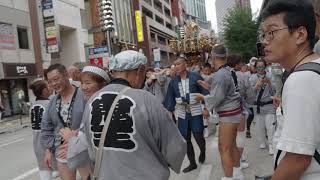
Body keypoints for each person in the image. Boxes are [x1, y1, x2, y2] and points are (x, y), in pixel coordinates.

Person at [80, 50, 186, 180]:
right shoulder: (146, 99)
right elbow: (174, 146)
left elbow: (89, 146)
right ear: (140, 70)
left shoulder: (92, 100)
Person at [260, 0, 320, 179]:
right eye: (263, 35)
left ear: (300, 34)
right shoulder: (312, 69)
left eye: (271, 32)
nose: (265, 42)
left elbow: (297, 160)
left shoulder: (301, 79)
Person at [195, 45, 244, 180]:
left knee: (224, 148)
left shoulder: (221, 74)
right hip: (235, 113)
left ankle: (229, 177)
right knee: (232, 145)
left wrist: (203, 97)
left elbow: (217, 97)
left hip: (229, 115)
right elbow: (223, 91)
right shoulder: (228, 70)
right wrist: (210, 87)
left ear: (213, 57)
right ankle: (237, 172)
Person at [59, 66, 110, 179]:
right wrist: (77, 133)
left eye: (88, 83)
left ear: (103, 84)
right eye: (82, 83)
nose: (83, 87)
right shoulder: (91, 104)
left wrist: (71, 139)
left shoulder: (101, 107)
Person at [164, 56, 209, 173]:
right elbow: (170, 98)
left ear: (185, 64)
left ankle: (203, 151)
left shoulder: (195, 76)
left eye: (178, 64)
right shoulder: (173, 81)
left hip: (195, 110)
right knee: (186, 139)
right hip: (182, 112)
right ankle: (192, 163)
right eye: (175, 64)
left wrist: (206, 108)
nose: (176, 66)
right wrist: (170, 113)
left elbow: (205, 92)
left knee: (198, 135)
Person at [41, 64, 86, 180]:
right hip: (62, 152)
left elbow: (91, 121)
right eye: (50, 82)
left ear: (66, 75)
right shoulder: (52, 102)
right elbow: (46, 127)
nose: (54, 84)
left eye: (56, 79)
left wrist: (77, 136)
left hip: (84, 149)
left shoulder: (84, 95)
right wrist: (48, 149)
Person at [29, 79, 58, 180]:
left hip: (37, 142)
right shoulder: (50, 104)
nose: (50, 87)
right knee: (62, 169)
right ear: (44, 90)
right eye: (48, 86)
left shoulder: (33, 105)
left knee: (44, 170)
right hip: (50, 142)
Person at [249, 59, 276, 155]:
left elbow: (274, 92)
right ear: (255, 68)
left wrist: (269, 82)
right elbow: (250, 94)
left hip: (269, 105)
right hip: (258, 106)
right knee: (260, 127)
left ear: (265, 66)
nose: (260, 68)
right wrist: (256, 86)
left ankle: (271, 145)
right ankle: (262, 141)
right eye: (258, 67)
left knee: (270, 127)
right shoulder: (252, 78)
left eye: (262, 66)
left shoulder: (271, 76)